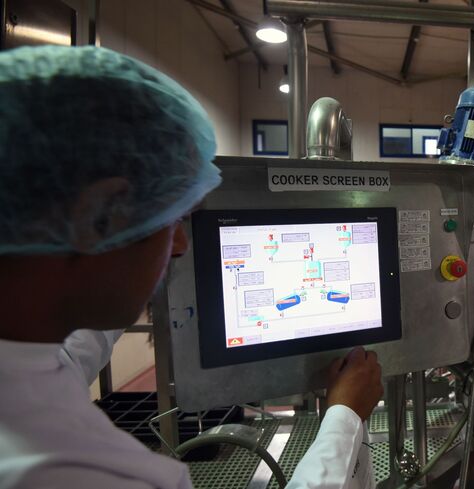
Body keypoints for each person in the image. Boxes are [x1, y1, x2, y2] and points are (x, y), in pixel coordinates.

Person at [0, 45, 384, 489]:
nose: (181, 246)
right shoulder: (71, 472)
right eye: (172, 219)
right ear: (99, 214)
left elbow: (74, 348)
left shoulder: (31, 361)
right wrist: (345, 418)